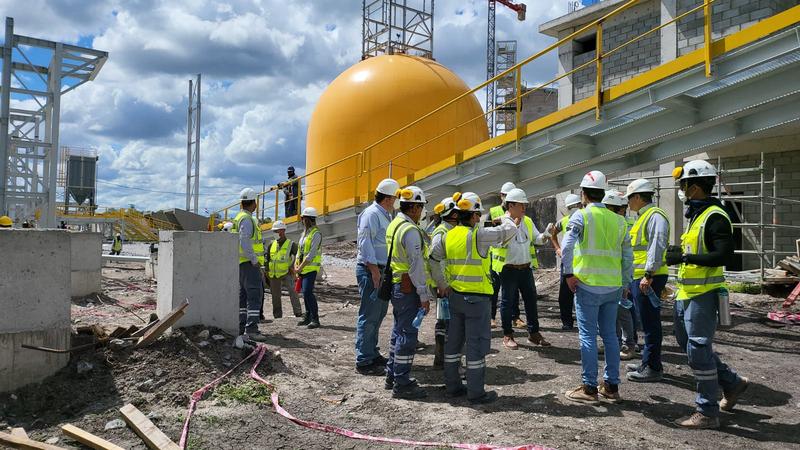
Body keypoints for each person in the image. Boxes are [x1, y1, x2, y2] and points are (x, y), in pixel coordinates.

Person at [667, 160, 748, 429]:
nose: (681, 188)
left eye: (684, 184)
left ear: (696, 185)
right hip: (686, 293)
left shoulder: (715, 215)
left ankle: (707, 411)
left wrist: (687, 256)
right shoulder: (697, 214)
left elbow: (724, 254)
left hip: (703, 294)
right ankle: (732, 383)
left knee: (698, 349)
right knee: (687, 345)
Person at [429, 192, 519, 404]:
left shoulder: (448, 235)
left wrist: (442, 284)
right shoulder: (478, 235)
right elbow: (511, 230)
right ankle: (476, 393)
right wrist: (506, 216)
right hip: (477, 301)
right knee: (476, 346)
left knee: (454, 344)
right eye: (477, 215)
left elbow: (433, 258)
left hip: (456, 298)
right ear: (471, 216)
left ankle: (453, 387)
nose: (479, 219)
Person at [561, 170, 632, 405]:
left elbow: (568, 246)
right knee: (610, 335)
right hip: (612, 287)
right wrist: (624, 283)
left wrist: (569, 274)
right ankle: (611, 386)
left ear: (583, 194)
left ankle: (589, 387)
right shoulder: (620, 221)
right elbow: (627, 257)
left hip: (588, 286)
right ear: (602, 194)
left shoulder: (580, 216)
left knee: (588, 337)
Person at [383, 186, 432, 399]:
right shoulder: (410, 230)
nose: (421, 211)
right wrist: (424, 295)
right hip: (408, 287)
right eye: (420, 207)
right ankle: (401, 383)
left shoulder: (394, 224)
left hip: (397, 285)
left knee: (398, 331)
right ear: (412, 207)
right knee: (407, 335)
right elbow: (416, 265)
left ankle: (391, 375)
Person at [494, 188, 553, 350]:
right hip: (508, 270)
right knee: (507, 302)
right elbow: (497, 243)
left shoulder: (527, 221)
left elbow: (537, 239)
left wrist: (546, 235)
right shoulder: (501, 221)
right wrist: (513, 228)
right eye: (521, 205)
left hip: (525, 269)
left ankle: (534, 333)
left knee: (531, 301)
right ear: (511, 205)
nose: (524, 208)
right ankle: (508, 335)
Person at [624, 178, 670, 383]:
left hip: (648, 278)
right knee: (646, 321)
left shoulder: (655, 216)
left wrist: (649, 275)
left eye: (629, 198)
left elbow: (657, 245)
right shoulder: (644, 216)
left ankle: (653, 367)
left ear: (637, 196)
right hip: (642, 277)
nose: (628, 203)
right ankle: (647, 362)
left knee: (651, 323)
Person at [355, 178, 399, 375]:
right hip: (371, 271)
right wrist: (374, 271)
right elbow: (365, 244)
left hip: (381, 271)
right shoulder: (372, 214)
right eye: (395, 198)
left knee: (378, 314)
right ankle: (364, 360)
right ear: (388, 198)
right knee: (369, 315)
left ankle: (371, 352)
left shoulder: (384, 215)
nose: (396, 201)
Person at [602, 189, 638, 361]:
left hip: (622, 276)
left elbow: (627, 256)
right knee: (613, 313)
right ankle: (615, 343)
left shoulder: (624, 224)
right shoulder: (613, 223)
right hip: (611, 276)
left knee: (622, 312)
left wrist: (625, 282)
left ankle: (629, 344)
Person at [232, 188, 267, 342]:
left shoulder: (238, 217)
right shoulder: (247, 219)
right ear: (254, 203)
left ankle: (241, 327)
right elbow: (244, 241)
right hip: (248, 264)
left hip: (240, 264)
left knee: (243, 297)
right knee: (254, 296)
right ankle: (252, 329)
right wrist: (254, 260)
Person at [428, 196, 458, 368]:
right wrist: (442, 284)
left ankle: (442, 359)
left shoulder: (450, 230)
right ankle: (443, 360)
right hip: (443, 286)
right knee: (445, 322)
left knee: (445, 321)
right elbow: (434, 261)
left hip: (447, 285)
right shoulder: (442, 233)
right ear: (453, 214)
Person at [488, 181, 521, 328]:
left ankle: (516, 317)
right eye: (506, 196)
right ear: (501, 196)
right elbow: (487, 231)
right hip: (497, 258)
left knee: (513, 290)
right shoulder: (494, 211)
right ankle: (491, 317)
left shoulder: (520, 212)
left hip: (513, 257)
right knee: (494, 288)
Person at [550, 193, 583, 330]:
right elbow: (553, 234)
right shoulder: (564, 221)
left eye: (576, 206)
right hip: (569, 261)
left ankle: (580, 320)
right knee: (565, 293)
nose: (575, 209)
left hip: (581, 262)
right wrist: (558, 248)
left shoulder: (585, 219)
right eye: (572, 207)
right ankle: (567, 321)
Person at [265, 220, 302, 319]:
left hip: (287, 273)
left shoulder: (291, 244)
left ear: (282, 231)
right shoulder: (271, 244)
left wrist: (293, 267)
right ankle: (277, 316)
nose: (274, 233)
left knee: (293, 292)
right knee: (275, 296)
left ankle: (298, 312)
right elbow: (267, 258)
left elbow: (299, 256)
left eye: (276, 231)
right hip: (274, 275)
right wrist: (267, 271)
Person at [296, 207, 322, 329]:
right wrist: (296, 266)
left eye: (303, 218)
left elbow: (311, 255)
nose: (301, 220)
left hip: (310, 268)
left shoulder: (316, 234)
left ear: (307, 219)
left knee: (307, 292)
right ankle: (308, 317)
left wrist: (300, 267)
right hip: (302, 269)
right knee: (304, 293)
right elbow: (300, 251)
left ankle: (315, 319)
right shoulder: (304, 234)